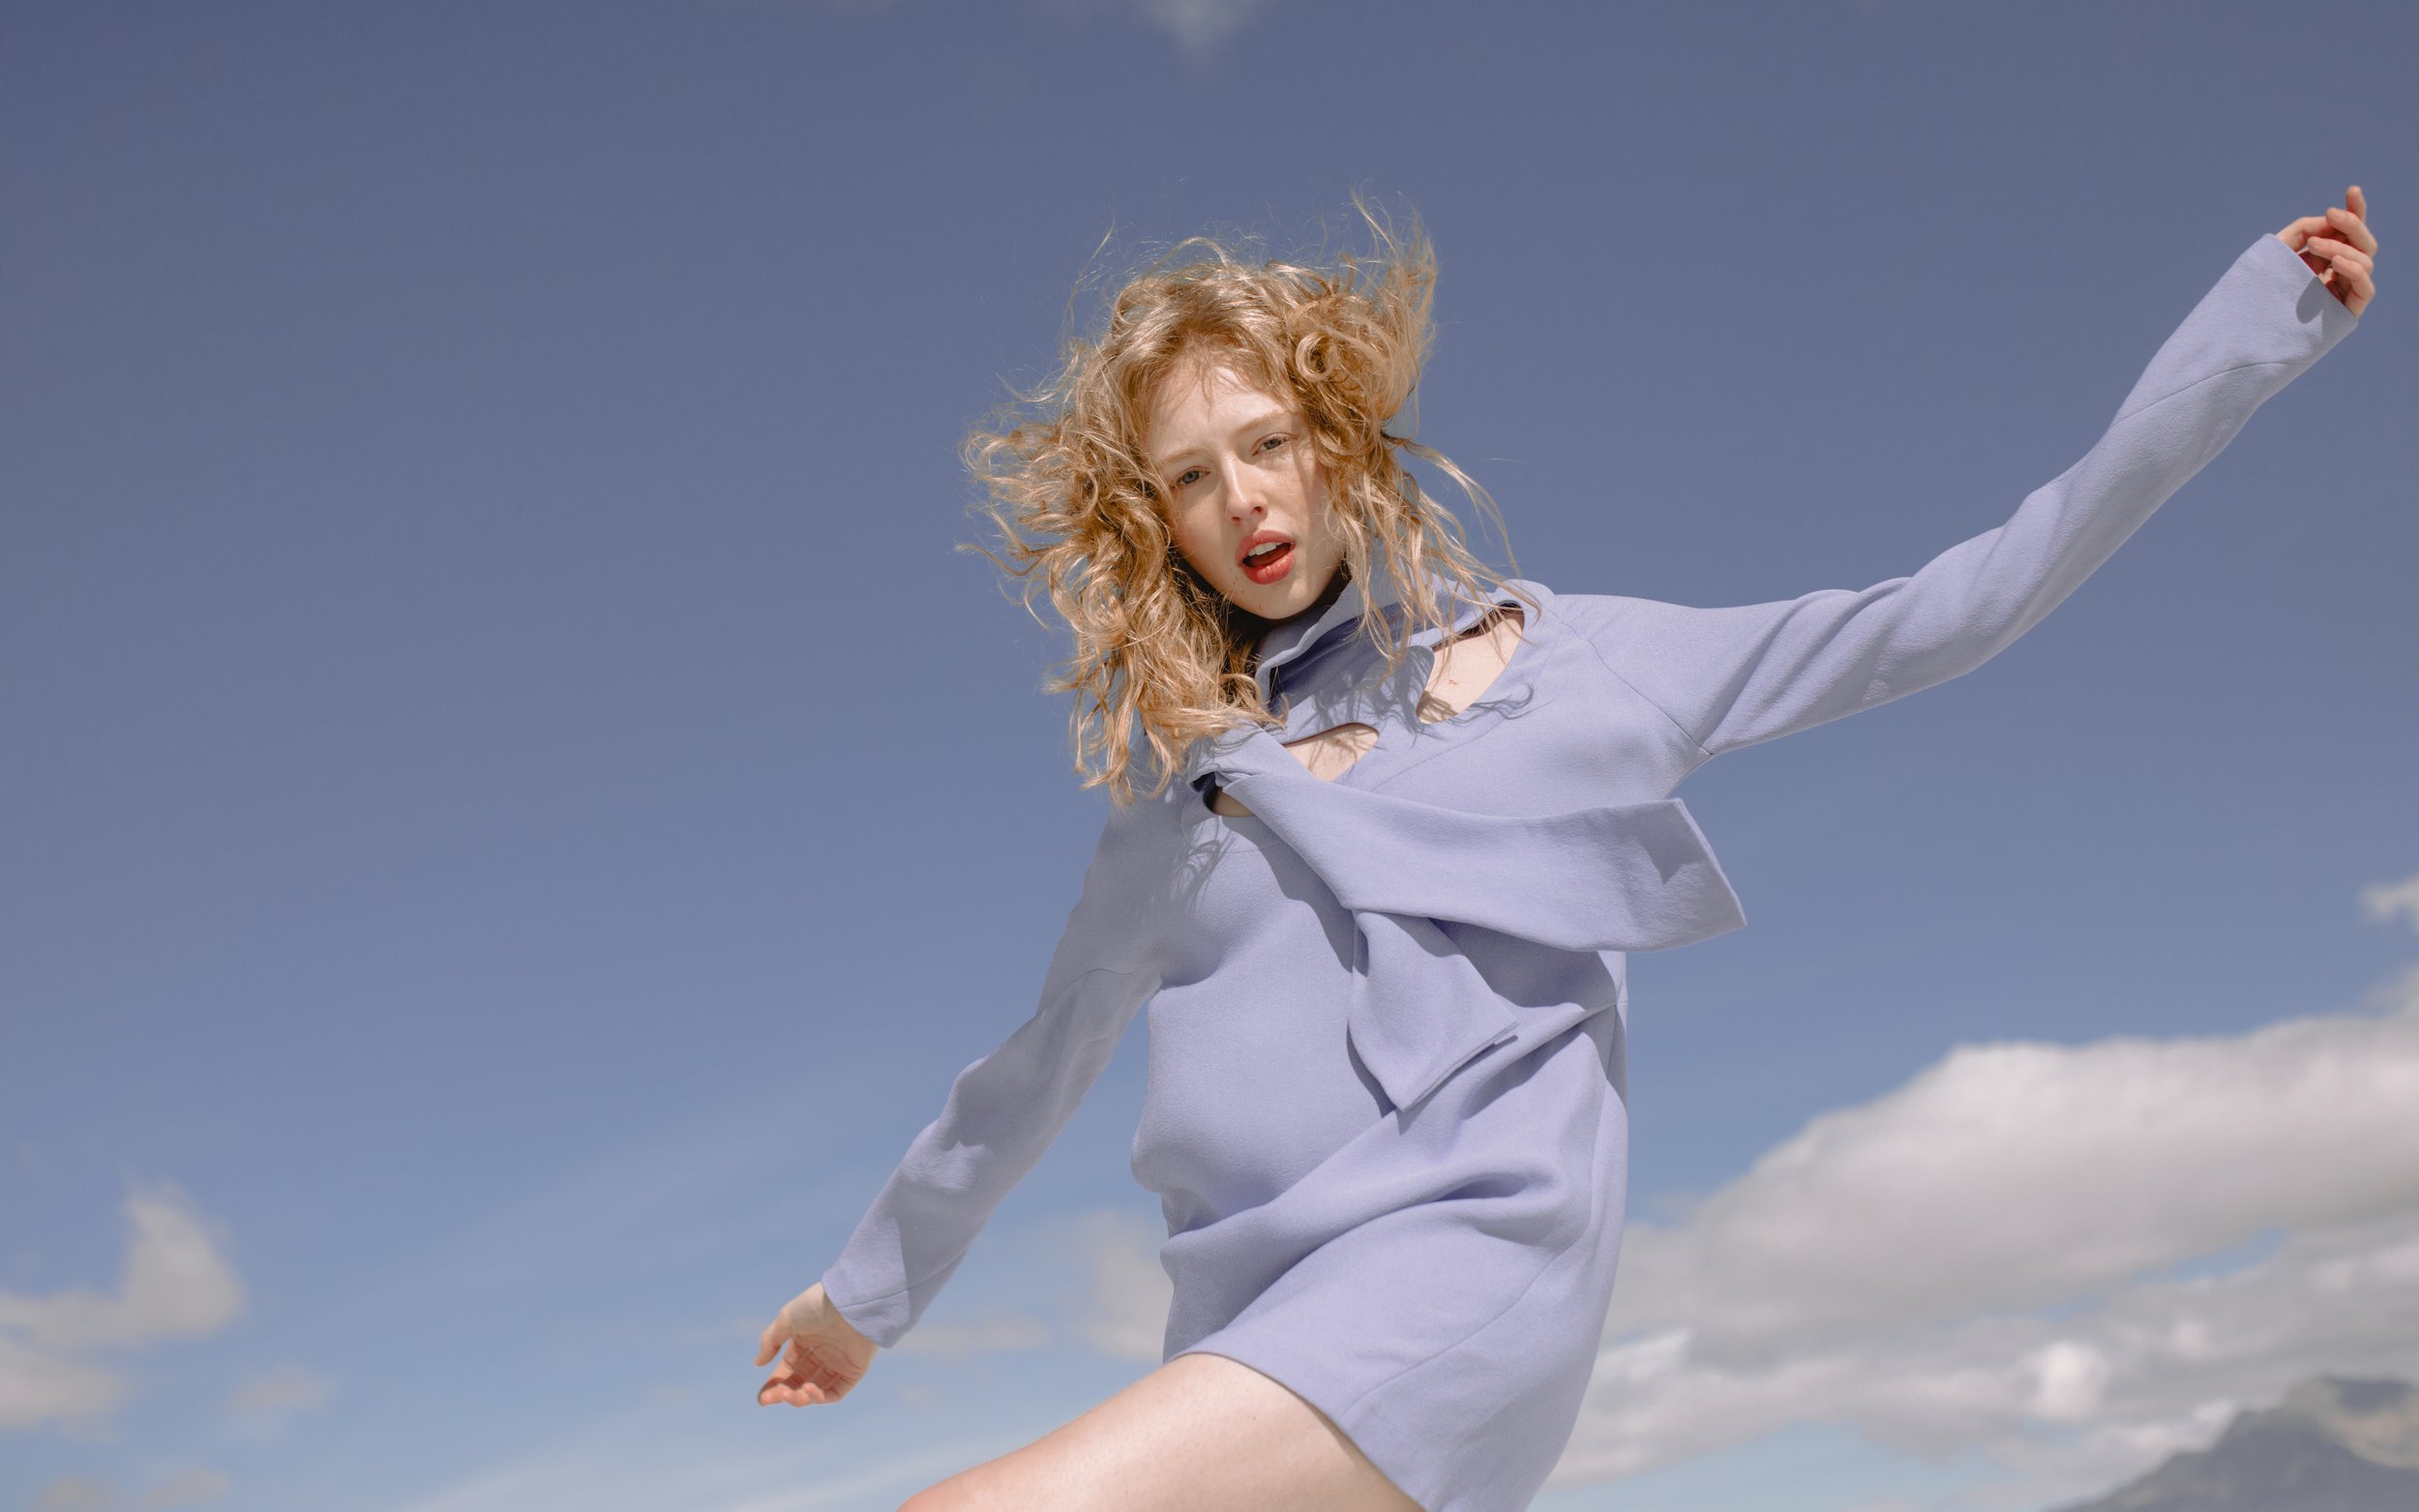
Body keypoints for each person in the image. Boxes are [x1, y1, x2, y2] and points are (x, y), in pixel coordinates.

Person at [751, 188, 2377, 1512]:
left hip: (1463, 1265)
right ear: (1156, 523)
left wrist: (2255, 330)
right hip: (1239, 1307)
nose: (1243, 499)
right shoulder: (1187, 804)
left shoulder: (1564, 665)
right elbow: (1030, 1075)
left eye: (1267, 441)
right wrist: (859, 1305)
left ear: (1339, 436)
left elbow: (1954, 609)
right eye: (1190, 476)